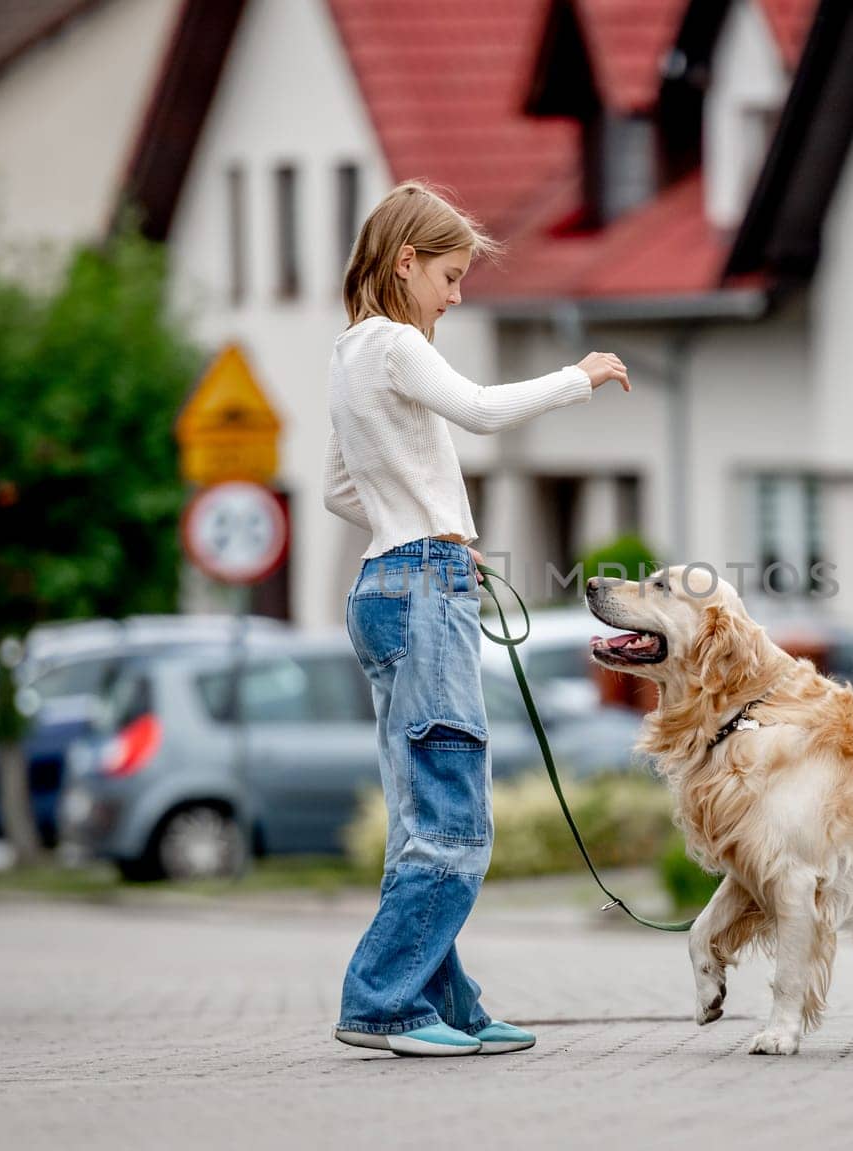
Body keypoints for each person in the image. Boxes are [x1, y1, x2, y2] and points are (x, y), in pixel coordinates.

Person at [325, 181, 630, 1057]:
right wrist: (581, 375)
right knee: (457, 815)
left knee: (421, 808)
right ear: (404, 262)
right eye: (449, 277)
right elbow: (485, 411)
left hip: (383, 585)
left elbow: (335, 489)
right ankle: (381, 1001)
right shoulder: (395, 343)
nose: (456, 297)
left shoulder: (349, 352)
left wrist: (403, 518)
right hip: (425, 583)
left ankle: (445, 1000)